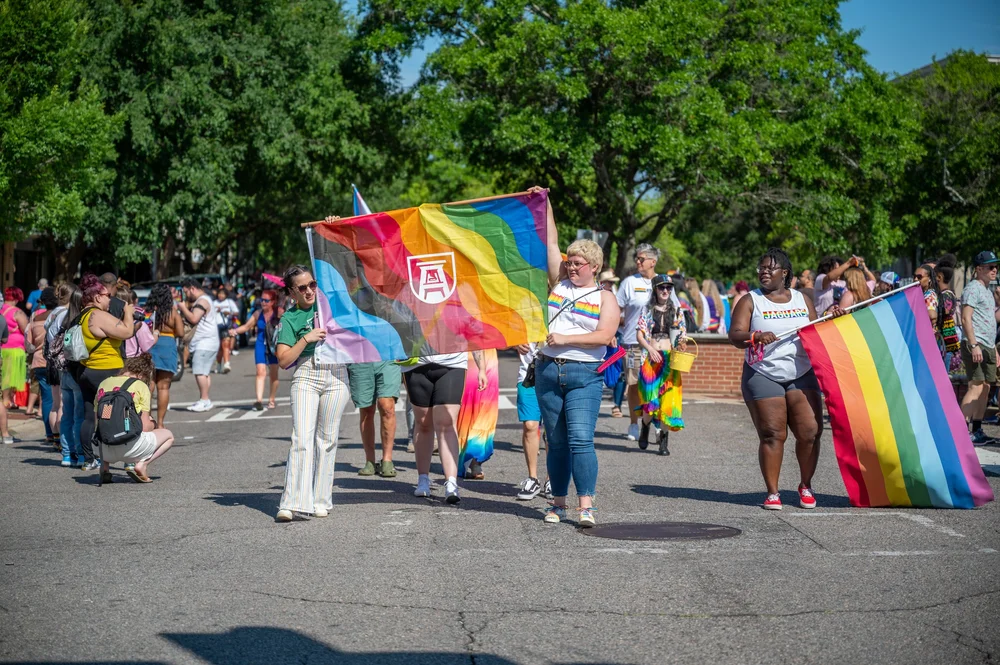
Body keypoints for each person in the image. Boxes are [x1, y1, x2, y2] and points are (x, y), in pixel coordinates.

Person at [729, 248, 842, 510]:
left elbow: (815, 332)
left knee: (811, 433)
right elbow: (734, 335)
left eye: (770, 268)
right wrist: (754, 336)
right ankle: (773, 492)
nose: (764, 272)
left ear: (785, 273)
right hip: (763, 373)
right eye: (761, 268)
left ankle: (805, 485)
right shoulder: (751, 300)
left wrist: (833, 319)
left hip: (801, 373)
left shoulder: (803, 299)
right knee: (772, 434)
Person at [535, 194, 620, 527]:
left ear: (594, 267)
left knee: (581, 438)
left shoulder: (605, 297)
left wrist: (566, 338)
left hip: (585, 373)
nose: (571, 267)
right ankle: (558, 504)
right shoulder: (558, 284)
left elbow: (604, 336)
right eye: (569, 262)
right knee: (555, 442)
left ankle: (587, 506)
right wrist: (545, 201)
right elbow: (550, 238)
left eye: (578, 263)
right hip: (547, 370)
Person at [273, 264, 351, 522]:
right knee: (302, 439)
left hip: (337, 374)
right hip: (307, 374)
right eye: (302, 287)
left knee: (327, 440)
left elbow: (342, 266)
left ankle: (320, 499)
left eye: (312, 285)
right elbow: (283, 360)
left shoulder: (330, 304)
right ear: (292, 292)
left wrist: (330, 228)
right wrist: (306, 339)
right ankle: (291, 502)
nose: (309, 291)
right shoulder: (289, 319)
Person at [71, 274, 136, 470]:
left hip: (87, 371)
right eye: (107, 295)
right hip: (106, 372)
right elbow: (126, 332)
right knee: (117, 414)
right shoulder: (97, 315)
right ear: (97, 297)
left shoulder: (81, 315)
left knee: (89, 416)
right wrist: (128, 312)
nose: (110, 299)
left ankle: (89, 459)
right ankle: (121, 457)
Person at [406, 348, 487, 502]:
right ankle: (423, 479)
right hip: (416, 362)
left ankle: (451, 482)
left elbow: (472, 329)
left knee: (446, 422)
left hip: (452, 362)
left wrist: (481, 368)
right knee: (423, 423)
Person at [94, 353, 175, 484]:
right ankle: (142, 464)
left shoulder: (104, 383)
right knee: (169, 436)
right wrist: (153, 423)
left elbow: (98, 420)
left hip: (102, 449)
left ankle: (105, 467)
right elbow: (144, 427)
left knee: (107, 422)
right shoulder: (140, 386)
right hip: (130, 449)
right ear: (143, 375)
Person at [617, 243, 662, 441]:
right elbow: (616, 309)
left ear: (653, 262)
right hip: (632, 344)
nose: (637, 261)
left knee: (655, 385)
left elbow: (675, 311)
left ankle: (655, 423)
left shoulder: (663, 283)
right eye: (637, 258)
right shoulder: (629, 282)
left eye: (641, 259)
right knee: (634, 384)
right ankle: (634, 423)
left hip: (658, 345)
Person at [636, 275, 686, 454]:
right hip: (651, 360)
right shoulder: (647, 309)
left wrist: (681, 343)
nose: (665, 291)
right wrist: (650, 349)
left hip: (670, 361)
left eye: (668, 288)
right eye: (661, 287)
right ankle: (645, 427)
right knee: (650, 402)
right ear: (655, 289)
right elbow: (640, 334)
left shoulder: (677, 310)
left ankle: (664, 442)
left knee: (669, 401)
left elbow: (682, 334)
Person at [960, 250, 999, 446]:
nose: (995, 270)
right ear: (978, 269)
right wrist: (974, 344)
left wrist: (995, 349)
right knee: (975, 386)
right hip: (976, 344)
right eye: (990, 267)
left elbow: (990, 319)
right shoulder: (973, 288)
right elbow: (966, 318)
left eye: (996, 266)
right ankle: (958, 432)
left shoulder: (987, 290)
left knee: (985, 387)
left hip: (988, 345)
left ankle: (976, 430)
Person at [347, 356, 401, 478]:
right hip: (360, 355)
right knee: (366, 409)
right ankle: (370, 461)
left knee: (387, 406)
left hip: (388, 354)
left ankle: (387, 460)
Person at [228, 289, 282, 411]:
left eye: (266, 300)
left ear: (273, 302)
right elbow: (247, 326)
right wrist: (235, 331)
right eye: (261, 300)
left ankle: (271, 399)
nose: (263, 302)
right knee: (260, 371)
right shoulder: (258, 314)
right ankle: (258, 400)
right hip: (260, 344)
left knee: (273, 374)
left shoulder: (279, 312)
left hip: (274, 345)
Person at [53, 285, 85, 466]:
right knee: (79, 415)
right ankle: (81, 454)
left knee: (66, 415)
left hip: (62, 370)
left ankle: (67, 454)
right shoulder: (81, 321)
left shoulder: (62, 319)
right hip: (77, 372)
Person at [178, 279, 220, 412]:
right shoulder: (205, 299)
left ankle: (204, 400)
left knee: (199, 372)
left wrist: (183, 308)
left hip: (204, 342)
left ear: (192, 288)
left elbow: (194, 318)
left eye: (186, 292)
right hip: (208, 342)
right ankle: (205, 399)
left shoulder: (202, 301)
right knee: (205, 373)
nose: (186, 296)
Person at [146, 283, 185, 426]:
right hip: (167, 347)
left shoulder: (148, 312)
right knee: (163, 387)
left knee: (148, 386)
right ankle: (161, 422)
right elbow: (180, 333)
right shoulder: (172, 312)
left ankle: (147, 419)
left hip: (150, 344)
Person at [513, 342, 547, 500]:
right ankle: (532, 478)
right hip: (528, 375)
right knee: (530, 425)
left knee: (553, 430)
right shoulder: (524, 316)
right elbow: (504, 328)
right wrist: (514, 342)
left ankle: (551, 479)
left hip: (554, 375)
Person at [28, 287, 60, 444]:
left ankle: (50, 433)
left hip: (38, 361)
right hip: (55, 361)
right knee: (57, 399)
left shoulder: (35, 317)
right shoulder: (60, 316)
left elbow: (29, 344)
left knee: (47, 399)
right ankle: (58, 433)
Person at [1, 287, 29, 411]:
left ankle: (7, 400)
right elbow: (26, 330)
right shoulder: (18, 312)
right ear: (17, 298)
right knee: (11, 376)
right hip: (15, 349)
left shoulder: (1, 310)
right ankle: (6, 400)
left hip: (2, 347)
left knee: (4, 375)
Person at [933, 256, 961, 372]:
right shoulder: (945, 294)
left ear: (939, 277)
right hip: (943, 344)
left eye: (933, 276)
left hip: (946, 345)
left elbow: (945, 313)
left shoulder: (946, 295)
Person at [214, 287, 239, 374]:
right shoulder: (214, 303)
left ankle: (226, 364)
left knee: (225, 345)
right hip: (215, 327)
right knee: (219, 348)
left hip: (226, 326)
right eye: (219, 293)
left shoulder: (229, 302)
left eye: (223, 294)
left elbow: (236, 312)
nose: (221, 295)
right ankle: (218, 364)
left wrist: (229, 313)